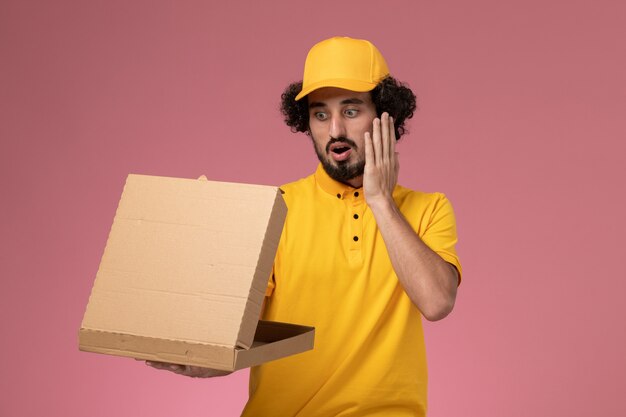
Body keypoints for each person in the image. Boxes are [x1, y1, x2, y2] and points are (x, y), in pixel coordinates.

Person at [149, 36, 462, 417]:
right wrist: (199, 357)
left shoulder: (428, 208)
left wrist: (380, 200)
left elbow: (437, 302)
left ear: (385, 116)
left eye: (350, 111)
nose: (334, 132)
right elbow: (239, 333)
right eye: (320, 114)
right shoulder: (276, 208)